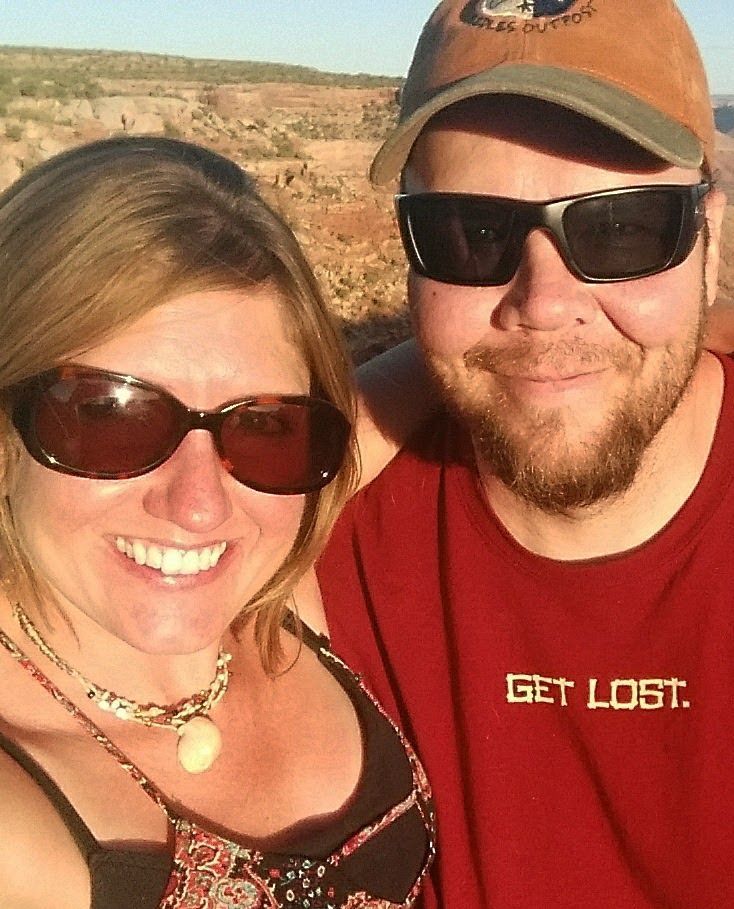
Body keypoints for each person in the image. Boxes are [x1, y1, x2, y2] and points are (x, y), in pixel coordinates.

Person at [317, 1, 732, 906]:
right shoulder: (332, 538)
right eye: (475, 233)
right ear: (411, 250)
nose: (543, 303)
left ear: (711, 238)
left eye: (621, 228)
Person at [0, 136, 436, 909]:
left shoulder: (275, 581)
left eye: (264, 427)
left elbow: (444, 368)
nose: (200, 503)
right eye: (110, 418)